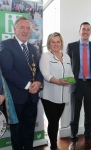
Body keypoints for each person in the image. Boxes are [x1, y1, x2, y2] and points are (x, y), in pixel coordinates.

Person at [0, 16, 43, 150]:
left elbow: (38, 69)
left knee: (29, 131)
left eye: (28, 28)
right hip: (16, 98)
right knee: (17, 133)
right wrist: (27, 85)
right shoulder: (6, 45)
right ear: (15, 29)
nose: (25, 31)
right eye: (22, 27)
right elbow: (8, 71)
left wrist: (38, 82)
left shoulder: (32, 48)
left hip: (33, 97)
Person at [67, 22, 91, 150]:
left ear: (90, 32)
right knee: (74, 115)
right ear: (79, 31)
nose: (85, 31)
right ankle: (73, 140)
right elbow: (67, 66)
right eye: (83, 29)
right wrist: (71, 80)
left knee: (89, 114)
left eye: (88, 30)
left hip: (90, 84)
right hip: (76, 84)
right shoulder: (71, 46)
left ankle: (88, 138)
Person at [39, 32, 73, 150]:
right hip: (49, 96)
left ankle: (53, 143)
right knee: (53, 122)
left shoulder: (67, 57)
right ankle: (53, 146)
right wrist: (59, 82)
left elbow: (70, 73)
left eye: (58, 41)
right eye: (53, 42)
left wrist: (72, 79)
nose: (56, 44)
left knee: (56, 121)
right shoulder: (45, 56)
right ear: (49, 43)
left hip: (63, 96)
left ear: (61, 43)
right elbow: (46, 74)